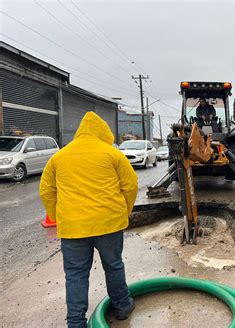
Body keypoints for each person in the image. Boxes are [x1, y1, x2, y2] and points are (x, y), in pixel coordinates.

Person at [39, 112, 138, 328]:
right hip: (109, 224)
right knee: (113, 266)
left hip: (73, 229)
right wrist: (125, 211)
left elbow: (46, 191)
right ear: (104, 133)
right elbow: (130, 186)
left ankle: (75, 322)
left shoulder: (59, 157)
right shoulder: (113, 154)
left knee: (75, 274)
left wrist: (58, 217)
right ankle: (122, 306)